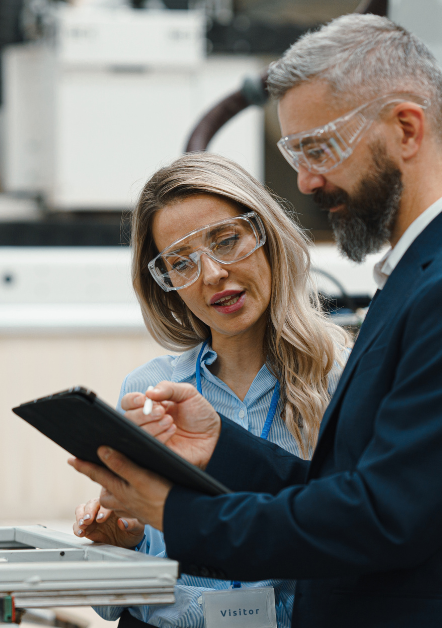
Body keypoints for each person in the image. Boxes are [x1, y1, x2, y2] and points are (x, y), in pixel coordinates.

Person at [69, 14, 442, 628]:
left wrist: (176, 513)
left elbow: (382, 516)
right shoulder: (429, 273)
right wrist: (221, 446)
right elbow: (352, 486)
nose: (306, 181)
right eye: (294, 153)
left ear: (406, 129)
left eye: (317, 149)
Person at [72, 152, 349, 628]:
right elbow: (109, 605)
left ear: (266, 236)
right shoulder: (150, 390)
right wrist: (125, 547)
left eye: (226, 241)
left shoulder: (339, 378)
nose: (212, 274)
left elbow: (355, 546)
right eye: (181, 263)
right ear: (166, 286)